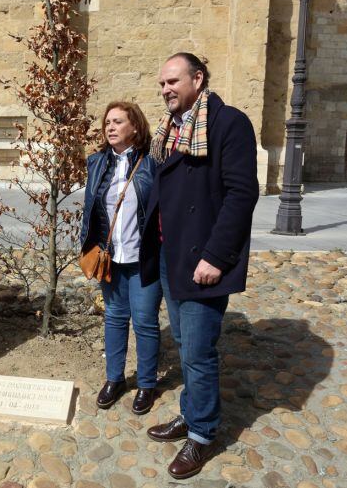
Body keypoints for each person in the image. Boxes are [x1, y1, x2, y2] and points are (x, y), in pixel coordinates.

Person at [139, 53, 259, 479]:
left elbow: (241, 195)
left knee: (198, 352)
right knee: (187, 350)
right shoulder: (173, 129)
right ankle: (191, 415)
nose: (165, 89)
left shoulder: (228, 123)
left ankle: (204, 434)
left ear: (198, 78)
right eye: (161, 84)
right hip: (172, 255)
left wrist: (216, 257)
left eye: (172, 81)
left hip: (202, 259)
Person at [79, 102, 162, 412]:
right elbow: (92, 210)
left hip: (143, 257)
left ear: (135, 127)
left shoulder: (152, 162)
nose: (110, 127)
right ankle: (115, 378)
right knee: (114, 318)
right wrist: (89, 244)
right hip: (110, 257)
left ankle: (147, 384)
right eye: (107, 123)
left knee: (144, 321)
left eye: (118, 122)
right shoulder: (98, 163)